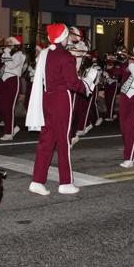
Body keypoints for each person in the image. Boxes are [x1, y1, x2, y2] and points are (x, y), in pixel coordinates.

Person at [26, 24, 96, 195]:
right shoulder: (65, 56)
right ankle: (65, 182)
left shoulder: (46, 53)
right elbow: (73, 83)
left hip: (47, 98)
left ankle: (37, 180)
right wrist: (88, 83)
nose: (68, 39)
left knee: (46, 141)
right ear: (63, 37)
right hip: (61, 100)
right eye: (66, 35)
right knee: (64, 141)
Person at [0, 36, 26, 141]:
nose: (7, 44)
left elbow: (11, 65)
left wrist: (6, 52)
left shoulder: (20, 55)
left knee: (9, 107)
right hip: (3, 80)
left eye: (10, 42)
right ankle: (13, 127)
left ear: (16, 44)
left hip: (13, 81)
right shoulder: (8, 53)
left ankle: (9, 132)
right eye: (7, 42)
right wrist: (4, 52)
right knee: (0, 106)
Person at [102, 53, 121, 121]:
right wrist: (104, 78)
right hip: (107, 84)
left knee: (111, 100)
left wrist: (108, 76)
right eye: (108, 57)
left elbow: (117, 75)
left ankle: (110, 116)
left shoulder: (116, 66)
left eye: (110, 57)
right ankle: (112, 113)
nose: (108, 59)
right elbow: (104, 75)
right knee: (107, 100)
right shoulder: (105, 65)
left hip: (113, 84)